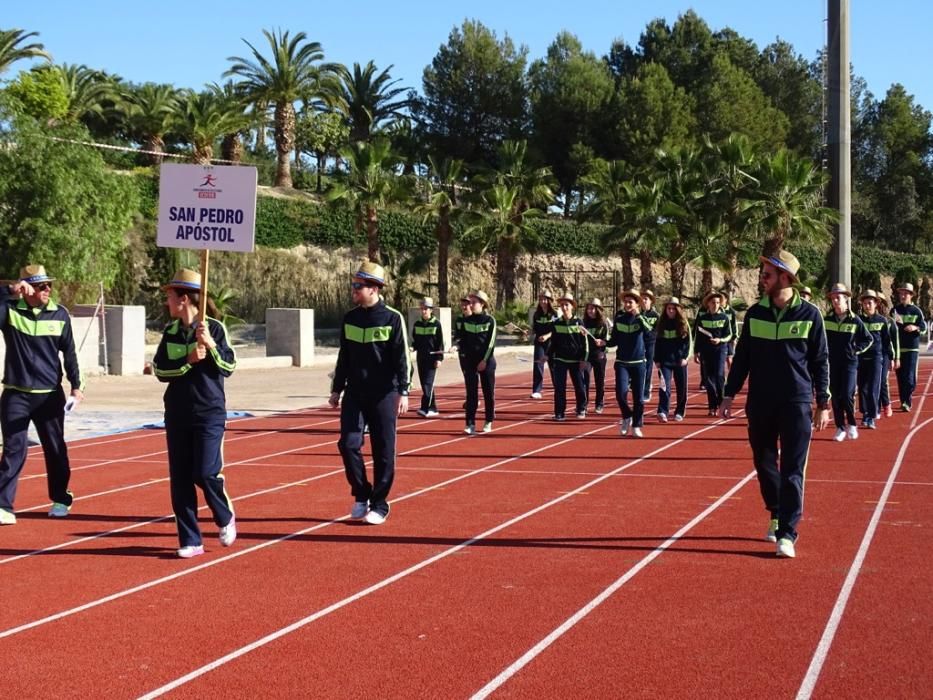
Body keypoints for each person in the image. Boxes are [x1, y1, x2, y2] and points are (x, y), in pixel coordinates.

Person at [721, 250, 830, 559]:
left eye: (767, 274)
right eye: (762, 273)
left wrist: (823, 402)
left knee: (793, 468)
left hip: (796, 401)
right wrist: (729, 394)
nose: (762, 278)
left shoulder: (810, 315)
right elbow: (742, 358)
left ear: (785, 278)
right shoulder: (755, 314)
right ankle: (776, 510)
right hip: (761, 401)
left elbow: (821, 361)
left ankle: (787, 532)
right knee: (764, 461)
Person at [152, 268, 238, 557]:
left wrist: (211, 347)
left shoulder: (214, 328)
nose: (167, 302)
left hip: (209, 413)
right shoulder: (171, 331)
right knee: (180, 479)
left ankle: (224, 515)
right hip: (177, 413)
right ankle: (190, 539)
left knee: (205, 471)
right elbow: (161, 370)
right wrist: (188, 361)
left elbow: (229, 366)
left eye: (171, 296)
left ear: (185, 298)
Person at [0, 265, 84, 526]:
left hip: (49, 397)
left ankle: (60, 499)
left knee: (55, 449)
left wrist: (77, 386)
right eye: (40, 286)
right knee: (14, 449)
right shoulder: (10, 312)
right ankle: (3, 505)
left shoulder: (59, 315)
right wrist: (9, 291)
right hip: (16, 394)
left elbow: (70, 354)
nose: (47, 289)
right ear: (26, 289)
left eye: (48, 285)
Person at [329, 262, 410, 525]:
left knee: (383, 451)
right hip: (355, 393)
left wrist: (404, 391)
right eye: (354, 285)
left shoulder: (392, 318)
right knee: (348, 444)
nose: (353, 290)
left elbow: (402, 359)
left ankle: (379, 503)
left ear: (374, 289)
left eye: (358, 286)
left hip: (384, 394)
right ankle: (361, 493)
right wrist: (336, 389)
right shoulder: (350, 318)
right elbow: (344, 357)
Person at [824, 283, 873, 442]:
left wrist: (855, 350)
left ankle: (852, 424)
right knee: (836, 397)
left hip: (850, 364)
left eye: (839, 297)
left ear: (846, 300)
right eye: (833, 298)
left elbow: (868, 339)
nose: (836, 301)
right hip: (832, 364)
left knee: (847, 394)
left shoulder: (855, 320)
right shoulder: (827, 320)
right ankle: (840, 427)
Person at [603, 289, 652, 438]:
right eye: (626, 302)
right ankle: (627, 416)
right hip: (622, 363)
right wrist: (603, 343)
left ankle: (636, 426)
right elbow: (613, 341)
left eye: (631, 302)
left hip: (638, 363)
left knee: (638, 398)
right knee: (620, 394)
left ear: (637, 304)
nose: (627, 304)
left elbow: (650, 334)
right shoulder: (619, 319)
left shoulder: (641, 319)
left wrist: (638, 316)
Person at [856, 290, 895, 429]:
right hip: (861, 358)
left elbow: (886, 341)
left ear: (876, 304)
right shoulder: (858, 320)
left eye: (870, 303)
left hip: (876, 358)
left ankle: (871, 416)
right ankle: (865, 413)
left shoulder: (882, 321)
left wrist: (891, 357)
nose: (867, 306)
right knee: (863, 388)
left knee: (873, 387)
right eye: (865, 303)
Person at [460, 290, 497, 435]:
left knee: (488, 392)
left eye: (474, 302)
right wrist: (459, 350)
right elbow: (463, 340)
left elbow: (491, 343)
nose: (471, 304)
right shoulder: (466, 320)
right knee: (471, 393)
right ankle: (470, 423)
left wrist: (484, 360)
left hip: (486, 362)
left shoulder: (490, 321)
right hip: (470, 362)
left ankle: (488, 420)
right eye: (471, 302)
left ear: (482, 304)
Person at [549, 292, 589, 420]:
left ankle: (581, 408)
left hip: (576, 360)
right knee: (559, 387)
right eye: (562, 305)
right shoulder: (556, 324)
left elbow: (585, 342)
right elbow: (553, 343)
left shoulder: (579, 322)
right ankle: (559, 412)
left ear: (572, 306)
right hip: (560, 359)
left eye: (566, 305)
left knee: (579, 386)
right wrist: (547, 355)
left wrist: (584, 359)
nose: (564, 307)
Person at [694, 291, 732, 416]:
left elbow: (729, 335)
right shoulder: (702, 319)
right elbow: (698, 336)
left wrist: (720, 340)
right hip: (706, 352)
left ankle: (721, 404)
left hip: (720, 350)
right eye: (713, 303)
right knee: (708, 379)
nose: (715, 305)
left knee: (719, 376)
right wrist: (696, 352)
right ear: (708, 304)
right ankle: (712, 406)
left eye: (717, 302)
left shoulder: (724, 318)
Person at [654, 297, 692, 422]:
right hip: (665, 361)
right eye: (668, 308)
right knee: (664, 387)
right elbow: (657, 343)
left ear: (677, 310)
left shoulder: (683, 324)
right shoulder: (661, 324)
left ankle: (680, 411)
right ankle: (662, 411)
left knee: (681, 387)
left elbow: (689, 343)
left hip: (680, 361)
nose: (670, 311)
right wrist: (657, 359)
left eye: (673, 309)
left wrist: (685, 358)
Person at [891, 281, 927, 412]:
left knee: (910, 378)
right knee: (900, 377)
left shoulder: (917, 311)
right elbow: (892, 328)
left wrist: (915, 327)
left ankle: (908, 399)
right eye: (901, 293)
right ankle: (904, 402)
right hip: (898, 349)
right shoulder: (895, 310)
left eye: (906, 293)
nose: (903, 295)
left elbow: (924, 328)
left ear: (911, 295)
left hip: (912, 348)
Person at [412, 297, 444, 417]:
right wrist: (412, 347)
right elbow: (415, 340)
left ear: (431, 310)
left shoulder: (436, 324)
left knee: (428, 383)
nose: (424, 311)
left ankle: (426, 407)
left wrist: (439, 358)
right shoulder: (417, 324)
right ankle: (433, 407)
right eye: (422, 308)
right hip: (421, 357)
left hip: (432, 358)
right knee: (424, 382)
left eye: (426, 309)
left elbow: (440, 343)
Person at [582, 298, 610, 414]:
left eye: (593, 308)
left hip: (599, 355)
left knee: (599, 380)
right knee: (585, 380)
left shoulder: (603, 324)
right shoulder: (583, 323)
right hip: (587, 355)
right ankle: (584, 404)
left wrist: (602, 342)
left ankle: (599, 403)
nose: (590, 311)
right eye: (588, 308)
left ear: (598, 310)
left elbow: (608, 341)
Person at [530, 290, 558, 399]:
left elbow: (556, 330)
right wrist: (529, 332)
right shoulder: (537, 314)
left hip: (552, 343)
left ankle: (558, 388)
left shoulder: (554, 314)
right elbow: (534, 329)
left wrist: (547, 336)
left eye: (545, 299)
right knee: (538, 365)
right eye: (541, 299)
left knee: (553, 366)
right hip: (539, 343)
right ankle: (537, 390)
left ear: (549, 301)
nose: (543, 301)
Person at [876, 292, 898, 418]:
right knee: (872, 382)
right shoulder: (866, 320)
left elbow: (894, 342)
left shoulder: (889, 322)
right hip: (872, 355)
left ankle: (886, 404)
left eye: (879, 302)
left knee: (882, 380)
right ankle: (876, 407)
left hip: (884, 354)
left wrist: (894, 358)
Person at [640, 289, 660, 402]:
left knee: (648, 368)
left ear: (651, 301)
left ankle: (646, 391)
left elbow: (656, 331)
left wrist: (649, 334)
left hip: (651, 344)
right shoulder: (637, 314)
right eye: (641, 299)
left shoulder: (655, 316)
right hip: (638, 345)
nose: (643, 301)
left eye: (646, 299)